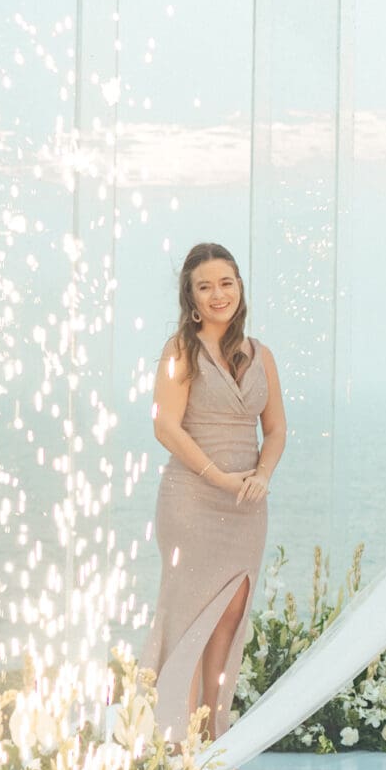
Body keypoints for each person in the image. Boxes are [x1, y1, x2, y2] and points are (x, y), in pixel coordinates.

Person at [146, 243, 286, 744]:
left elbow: (275, 430)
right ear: (191, 296)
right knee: (187, 619)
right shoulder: (179, 350)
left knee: (229, 619)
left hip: (247, 504)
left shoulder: (261, 354)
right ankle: (173, 744)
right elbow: (166, 425)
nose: (217, 294)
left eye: (226, 282)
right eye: (205, 286)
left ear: (240, 287)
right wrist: (219, 477)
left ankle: (214, 737)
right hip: (191, 500)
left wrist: (261, 475)